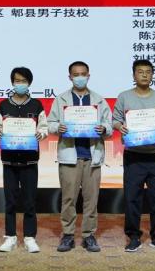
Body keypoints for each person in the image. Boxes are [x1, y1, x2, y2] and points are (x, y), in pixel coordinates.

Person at [47, 61, 113, 252]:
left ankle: (88, 235)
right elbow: (50, 124)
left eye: (83, 74)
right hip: (70, 156)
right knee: (68, 198)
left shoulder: (99, 100)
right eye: (76, 75)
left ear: (88, 76)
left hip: (92, 156)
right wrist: (57, 127)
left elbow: (109, 125)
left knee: (91, 200)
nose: (80, 77)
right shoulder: (61, 100)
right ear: (70, 77)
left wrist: (104, 129)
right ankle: (68, 235)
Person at [113, 59, 155, 252]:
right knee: (132, 198)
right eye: (140, 71)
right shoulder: (124, 97)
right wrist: (120, 126)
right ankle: (133, 237)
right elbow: (115, 120)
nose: (144, 75)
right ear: (134, 75)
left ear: (152, 75)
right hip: (133, 156)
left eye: (148, 72)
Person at [0, 67, 48, 253]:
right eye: (17, 81)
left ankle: (30, 237)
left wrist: (41, 134)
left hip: (30, 160)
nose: (20, 84)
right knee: (10, 200)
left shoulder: (37, 105)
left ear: (29, 83)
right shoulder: (3, 105)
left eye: (23, 81)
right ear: (12, 82)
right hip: (9, 160)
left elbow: (44, 127)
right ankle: (10, 237)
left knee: (30, 201)